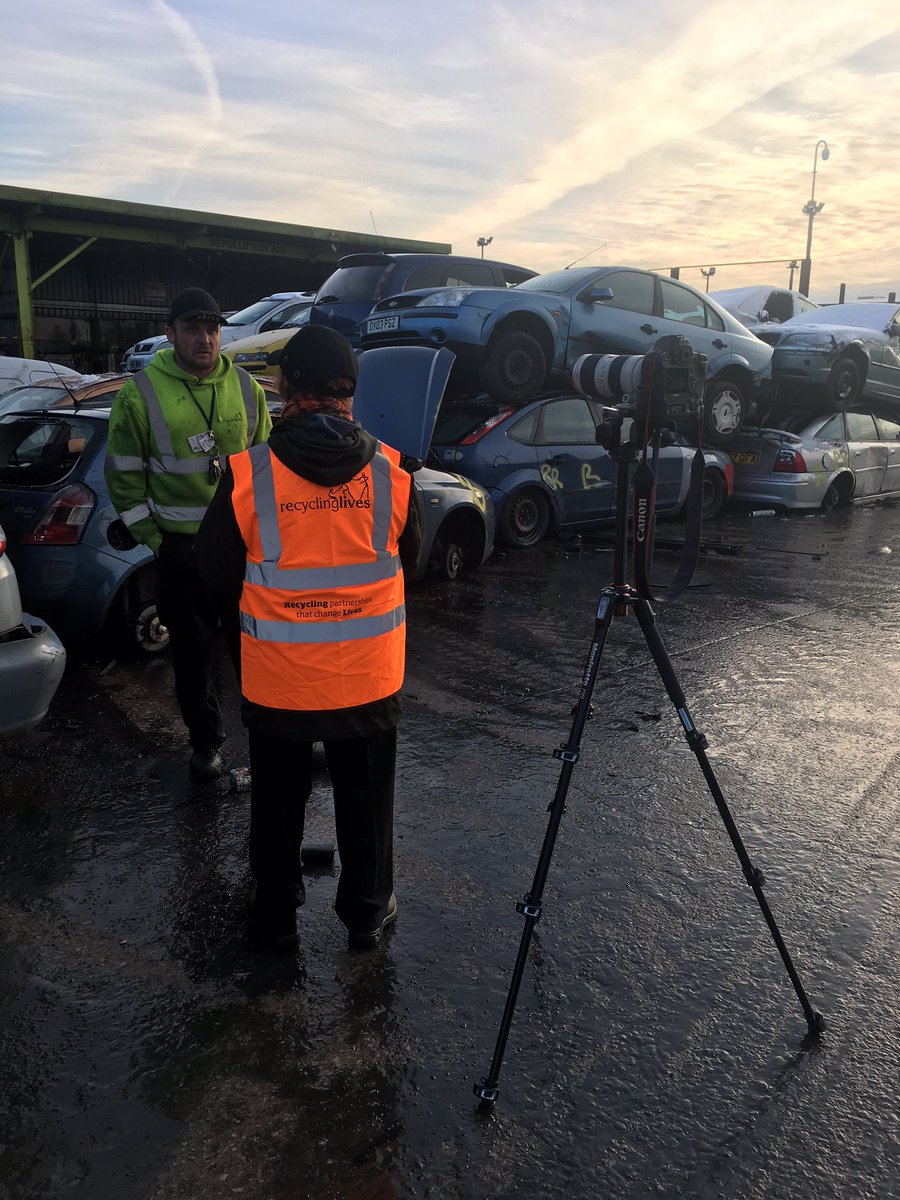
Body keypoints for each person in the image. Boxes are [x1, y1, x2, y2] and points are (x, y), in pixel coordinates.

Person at [195, 324, 422, 952]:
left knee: (277, 801)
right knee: (365, 800)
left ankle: (275, 912)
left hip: (280, 680)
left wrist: (251, 634)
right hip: (369, 679)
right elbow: (414, 565)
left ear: (288, 388)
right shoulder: (393, 474)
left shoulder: (248, 475)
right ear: (350, 391)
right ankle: (366, 914)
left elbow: (213, 573)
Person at [106, 287, 272, 780]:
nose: (205, 339)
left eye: (212, 328)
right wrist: (156, 541)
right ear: (170, 333)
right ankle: (207, 747)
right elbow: (124, 476)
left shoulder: (247, 388)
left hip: (242, 546)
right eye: (193, 329)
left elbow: (264, 466)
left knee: (260, 651)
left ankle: (273, 742)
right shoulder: (141, 392)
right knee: (194, 658)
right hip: (181, 550)